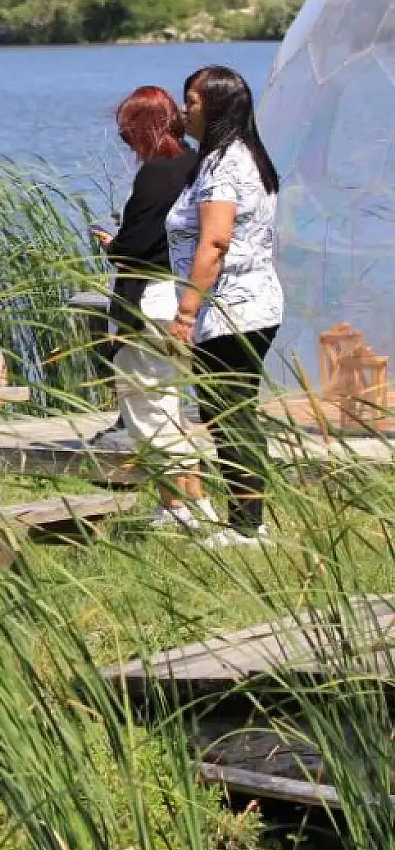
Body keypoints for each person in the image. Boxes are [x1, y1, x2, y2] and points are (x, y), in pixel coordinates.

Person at [166, 66, 284, 548]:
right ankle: (247, 516)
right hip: (252, 303)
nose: (184, 109)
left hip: (229, 307)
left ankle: (246, 525)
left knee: (227, 413)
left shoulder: (223, 165)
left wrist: (186, 312)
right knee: (231, 412)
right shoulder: (241, 155)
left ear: (214, 107)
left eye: (191, 101)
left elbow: (214, 241)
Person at [94, 87, 214, 531]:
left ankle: (185, 510)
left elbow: (138, 246)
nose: (126, 140)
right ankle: (184, 505)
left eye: (128, 131)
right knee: (170, 402)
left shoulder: (156, 174)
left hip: (150, 300)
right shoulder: (196, 164)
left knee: (148, 407)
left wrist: (113, 244)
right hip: (185, 297)